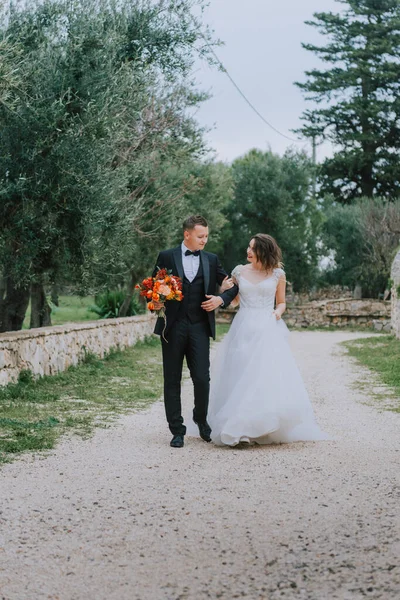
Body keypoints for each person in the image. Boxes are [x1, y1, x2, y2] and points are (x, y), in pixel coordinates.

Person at [208, 233, 329, 447]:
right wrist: (224, 291)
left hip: (267, 326)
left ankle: (258, 426)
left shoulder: (278, 274)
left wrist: (277, 314)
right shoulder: (239, 271)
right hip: (243, 326)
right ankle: (240, 427)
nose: (248, 251)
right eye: (248, 246)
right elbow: (235, 301)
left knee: (261, 376)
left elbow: (281, 302)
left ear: (263, 251)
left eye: (252, 248)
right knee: (241, 374)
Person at [151, 215, 238, 448]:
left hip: (200, 326)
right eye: (201, 236)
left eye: (207, 236)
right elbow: (153, 288)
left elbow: (233, 285)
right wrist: (155, 302)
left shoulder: (211, 259)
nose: (204, 241)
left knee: (202, 378)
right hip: (172, 326)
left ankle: (201, 420)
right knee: (172, 379)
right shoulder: (166, 256)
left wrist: (220, 299)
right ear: (187, 234)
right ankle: (177, 430)